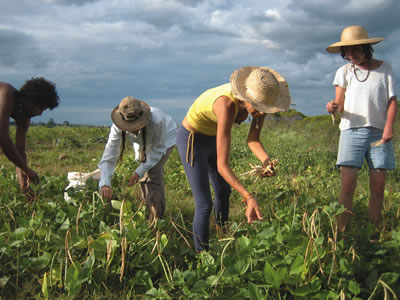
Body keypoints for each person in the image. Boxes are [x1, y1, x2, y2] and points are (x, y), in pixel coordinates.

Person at [176, 66, 291, 251]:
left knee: (223, 190)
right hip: (192, 139)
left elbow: (253, 140)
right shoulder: (226, 105)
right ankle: (202, 256)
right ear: (247, 97)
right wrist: (248, 197)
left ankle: (222, 234)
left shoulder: (258, 107)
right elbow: (223, 166)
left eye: (265, 108)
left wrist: (266, 161)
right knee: (204, 204)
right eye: (260, 107)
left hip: (212, 136)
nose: (262, 114)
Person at [326, 25, 398, 234]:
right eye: (345, 52)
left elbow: (392, 101)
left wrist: (388, 127)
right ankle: (341, 234)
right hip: (351, 132)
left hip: (379, 134)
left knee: (378, 187)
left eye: (354, 50)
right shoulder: (344, 71)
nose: (350, 55)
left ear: (366, 47)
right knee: (348, 186)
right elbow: (339, 103)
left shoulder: (386, 69)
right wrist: (333, 107)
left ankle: (373, 233)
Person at [98, 96, 178, 219]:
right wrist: (105, 183)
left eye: (135, 125)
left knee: (152, 173)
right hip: (142, 143)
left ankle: (157, 217)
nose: (133, 129)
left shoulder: (157, 121)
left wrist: (139, 171)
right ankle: (147, 208)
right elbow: (109, 155)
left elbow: (158, 149)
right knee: (143, 175)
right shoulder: (117, 127)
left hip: (165, 139)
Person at [0, 77, 60, 198]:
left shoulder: (24, 118)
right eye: (40, 109)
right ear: (30, 101)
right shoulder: (5, 94)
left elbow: (20, 151)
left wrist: (24, 184)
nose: (40, 114)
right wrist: (27, 170)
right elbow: (3, 138)